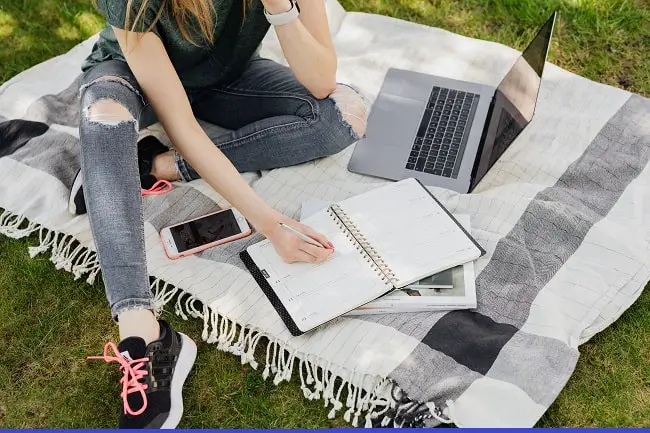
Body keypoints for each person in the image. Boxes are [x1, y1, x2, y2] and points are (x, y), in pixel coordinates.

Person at [72, 0, 367, 428]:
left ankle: (141, 165)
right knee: (104, 119)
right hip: (132, 76)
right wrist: (267, 220)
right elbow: (181, 124)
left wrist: (280, 6)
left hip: (226, 79)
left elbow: (321, 81)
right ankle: (145, 335)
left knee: (340, 117)